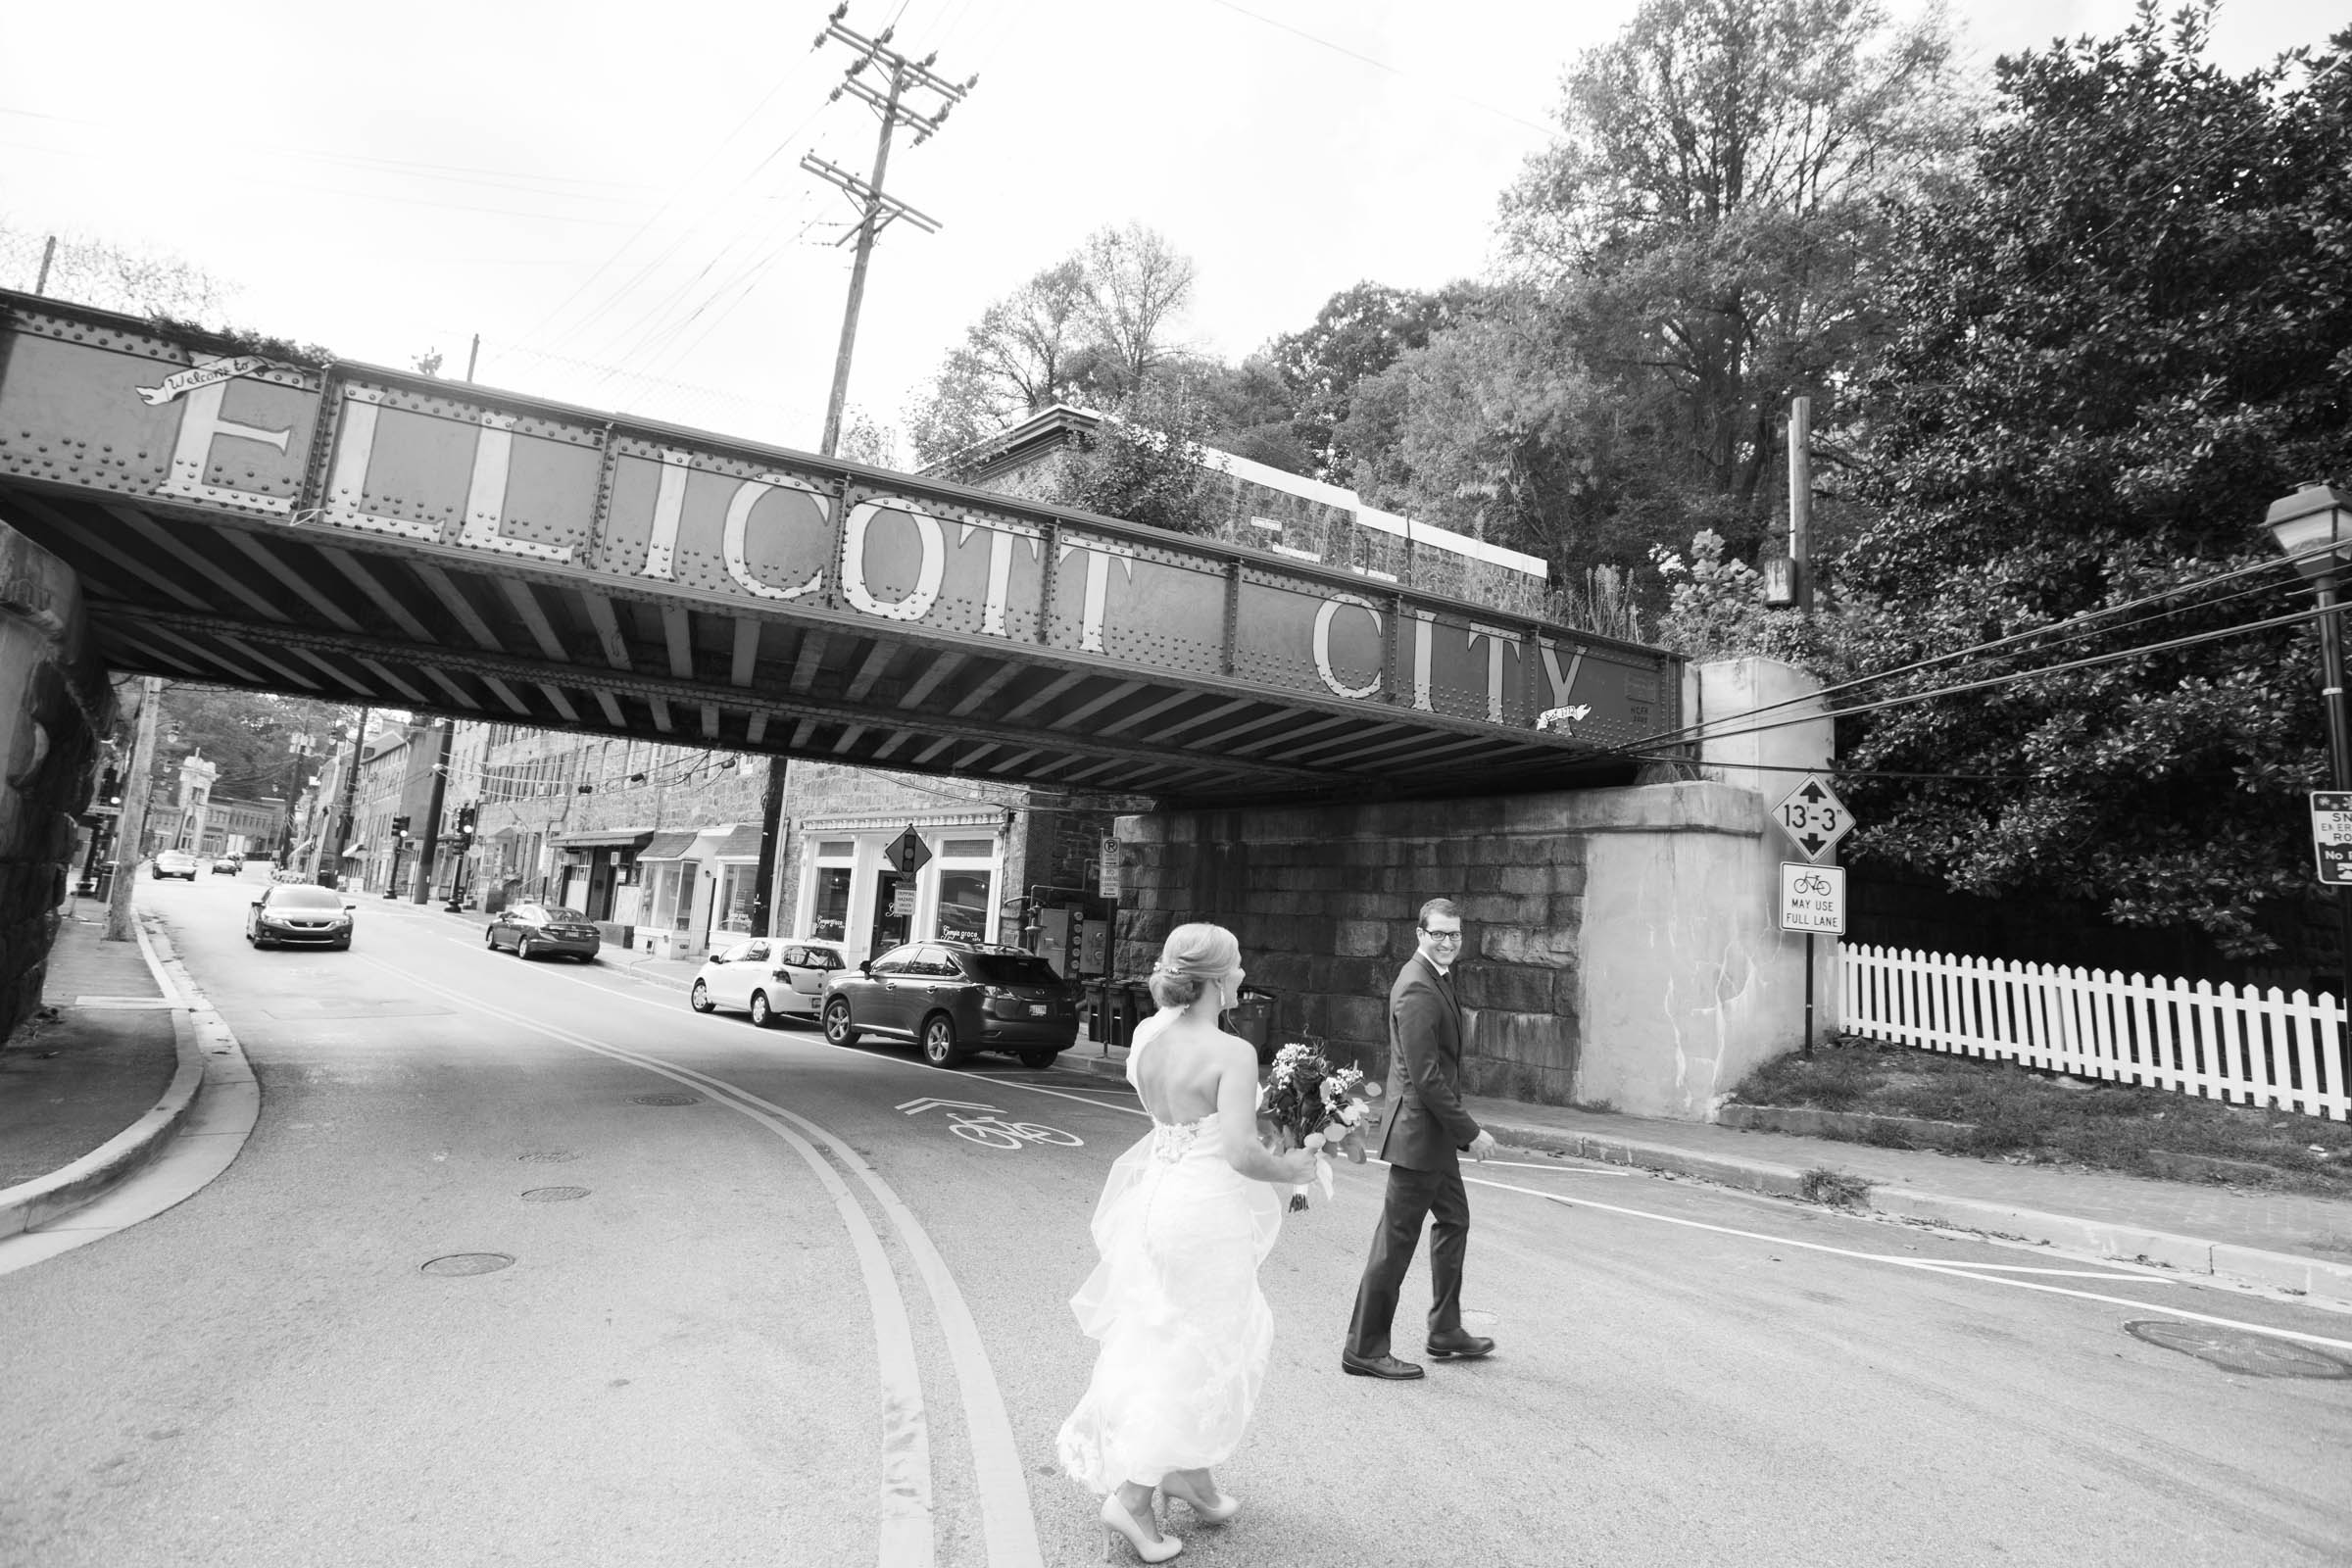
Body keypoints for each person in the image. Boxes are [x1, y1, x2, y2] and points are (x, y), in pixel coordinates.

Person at [1057, 922, 1320, 1563]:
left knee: (1171, 1333)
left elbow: (1184, 1121)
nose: (1241, 978)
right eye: (1237, 969)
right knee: (1196, 1349)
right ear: (1217, 979)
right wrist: (1298, 1166)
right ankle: (1136, 1496)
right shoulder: (1230, 1053)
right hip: (1204, 1217)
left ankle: (1189, 1475)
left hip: (1157, 1203)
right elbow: (1240, 1154)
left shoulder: (1147, 1036)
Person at [1342, 896, 1498, 1381]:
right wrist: (1470, 1132)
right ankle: (1365, 1348)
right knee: (1395, 1243)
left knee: (1454, 1220)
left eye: (1454, 934)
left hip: (1431, 1137)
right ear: (1420, 935)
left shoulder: (1437, 978)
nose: (1448, 942)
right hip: (1418, 1136)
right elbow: (1426, 1078)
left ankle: (1445, 1329)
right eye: (1439, 934)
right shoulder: (1416, 988)